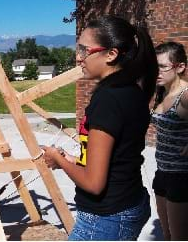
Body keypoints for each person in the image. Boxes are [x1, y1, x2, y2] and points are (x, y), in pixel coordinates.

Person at [41, 16, 158, 240]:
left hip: (106, 217)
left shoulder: (108, 99)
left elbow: (94, 184)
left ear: (111, 54)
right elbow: (119, 156)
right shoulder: (131, 91)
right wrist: (76, 161)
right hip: (128, 201)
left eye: (85, 50)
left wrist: (59, 160)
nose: (78, 57)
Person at [151, 42, 188, 240]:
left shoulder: (185, 95)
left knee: (179, 238)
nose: (157, 71)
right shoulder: (162, 92)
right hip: (162, 172)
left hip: (182, 176)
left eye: (163, 66)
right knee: (166, 235)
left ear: (180, 67)